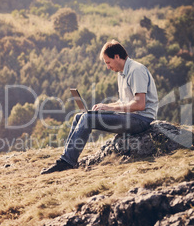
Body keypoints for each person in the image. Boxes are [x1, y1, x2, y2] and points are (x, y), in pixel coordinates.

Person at [41, 40, 159, 174]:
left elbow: (139, 104)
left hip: (142, 120)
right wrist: (106, 106)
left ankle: (67, 162)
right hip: (130, 116)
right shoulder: (122, 73)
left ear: (116, 56)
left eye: (108, 62)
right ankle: (66, 159)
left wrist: (111, 109)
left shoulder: (136, 70)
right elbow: (123, 102)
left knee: (88, 118)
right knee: (80, 116)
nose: (107, 67)